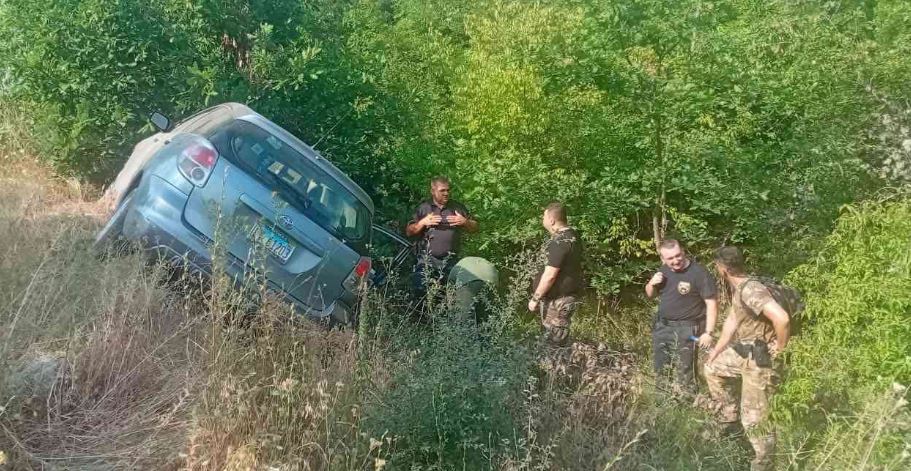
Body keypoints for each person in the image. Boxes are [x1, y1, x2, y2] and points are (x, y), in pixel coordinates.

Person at [704, 246, 790, 471]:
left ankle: (764, 464)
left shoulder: (751, 289)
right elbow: (732, 321)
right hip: (745, 351)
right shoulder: (740, 287)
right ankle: (730, 421)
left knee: (756, 422)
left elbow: (782, 319)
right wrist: (716, 352)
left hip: (760, 361)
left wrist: (780, 350)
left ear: (721, 268)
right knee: (712, 368)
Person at [644, 239, 718, 392]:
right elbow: (650, 295)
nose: (676, 260)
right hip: (663, 327)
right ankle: (661, 406)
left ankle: (687, 404)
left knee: (685, 372)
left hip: (688, 329)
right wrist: (651, 284)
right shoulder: (663, 271)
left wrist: (708, 333)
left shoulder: (699, 273)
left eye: (678, 255)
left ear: (683, 251)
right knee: (661, 369)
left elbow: (712, 304)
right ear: (663, 259)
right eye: (670, 258)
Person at [405, 176, 478, 299]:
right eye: (442, 190)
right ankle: (422, 317)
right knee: (421, 292)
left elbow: (476, 228)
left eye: (448, 190)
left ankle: (444, 317)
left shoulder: (457, 208)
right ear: (433, 191)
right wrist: (423, 223)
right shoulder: (424, 208)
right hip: (427, 260)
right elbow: (409, 231)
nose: (446, 193)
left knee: (450, 297)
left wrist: (465, 222)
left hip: (451, 262)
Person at [528, 203, 584, 346]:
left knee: (554, 345)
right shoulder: (573, 237)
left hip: (558, 302)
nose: (543, 221)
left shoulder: (560, 241)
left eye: (544, 217)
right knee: (554, 341)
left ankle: (558, 368)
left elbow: (550, 275)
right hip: (564, 298)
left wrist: (535, 298)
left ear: (552, 220)